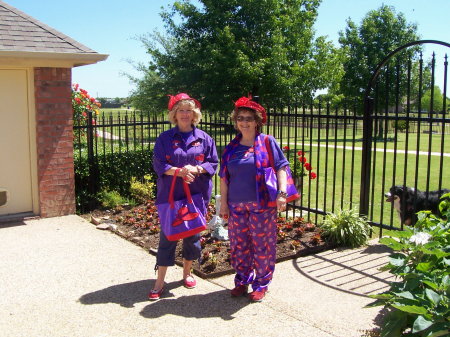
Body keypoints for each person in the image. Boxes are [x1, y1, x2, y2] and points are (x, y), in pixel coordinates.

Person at [219, 96, 298, 302]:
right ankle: (242, 280)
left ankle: (261, 283)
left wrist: (282, 194)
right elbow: (224, 178)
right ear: (236, 121)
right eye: (240, 118)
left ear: (257, 121)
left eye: (249, 118)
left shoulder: (266, 141)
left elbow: (281, 167)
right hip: (236, 206)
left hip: (261, 205)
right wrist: (224, 204)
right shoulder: (231, 148)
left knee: (263, 246)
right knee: (239, 245)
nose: (244, 122)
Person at [149, 93, 218, 300]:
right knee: (167, 237)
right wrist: (178, 171)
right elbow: (159, 164)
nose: (185, 114)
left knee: (192, 237)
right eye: (181, 110)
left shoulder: (205, 139)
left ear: (195, 114)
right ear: (174, 114)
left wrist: (195, 169)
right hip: (171, 197)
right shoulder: (165, 139)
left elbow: (212, 163)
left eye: (189, 110)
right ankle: (159, 281)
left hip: (196, 197)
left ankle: (187, 274)